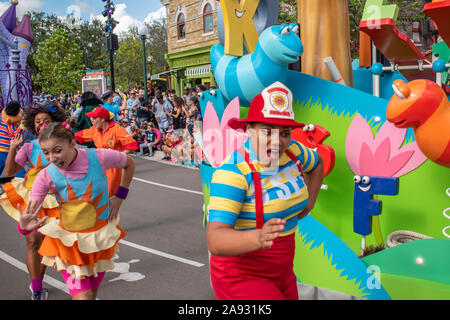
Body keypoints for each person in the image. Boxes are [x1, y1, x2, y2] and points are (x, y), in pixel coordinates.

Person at [206, 82, 324, 300]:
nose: (278, 141)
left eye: (285, 133)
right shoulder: (234, 172)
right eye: (267, 132)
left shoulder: (293, 153)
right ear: (249, 131)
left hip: (283, 272)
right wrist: (258, 237)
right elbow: (215, 239)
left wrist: (310, 202)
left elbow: (317, 164)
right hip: (241, 275)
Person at [17, 122, 135, 300]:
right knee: (84, 298)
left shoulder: (100, 157)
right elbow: (32, 209)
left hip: (99, 241)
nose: (51, 158)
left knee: (92, 295)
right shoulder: (45, 176)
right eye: (46, 152)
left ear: (72, 143)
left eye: (57, 150)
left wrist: (120, 196)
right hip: (69, 245)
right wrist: (24, 227)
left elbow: (130, 164)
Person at [0, 103, 67, 300]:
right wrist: (13, 148)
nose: (41, 124)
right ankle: (37, 289)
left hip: (58, 199)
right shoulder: (29, 146)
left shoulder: (65, 145)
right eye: (38, 122)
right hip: (35, 197)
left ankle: (39, 280)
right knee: (33, 242)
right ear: (33, 125)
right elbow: (10, 172)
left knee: (48, 244)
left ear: (54, 123)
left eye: (46, 121)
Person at [74, 107, 138, 197]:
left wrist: (119, 156)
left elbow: (132, 146)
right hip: (98, 167)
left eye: (94, 118)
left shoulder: (117, 130)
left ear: (103, 119)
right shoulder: (94, 130)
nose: (91, 120)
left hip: (112, 169)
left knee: (108, 196)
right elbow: (77, 136)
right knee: (93, 195)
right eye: (91, 118)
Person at [0, 101, 25, 177]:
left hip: (1, 149)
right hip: (8, 150)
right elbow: (16, 134)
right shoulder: (10, 125)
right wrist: (23, 125)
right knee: (16, 167)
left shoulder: (2, 123)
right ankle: (23, 180)